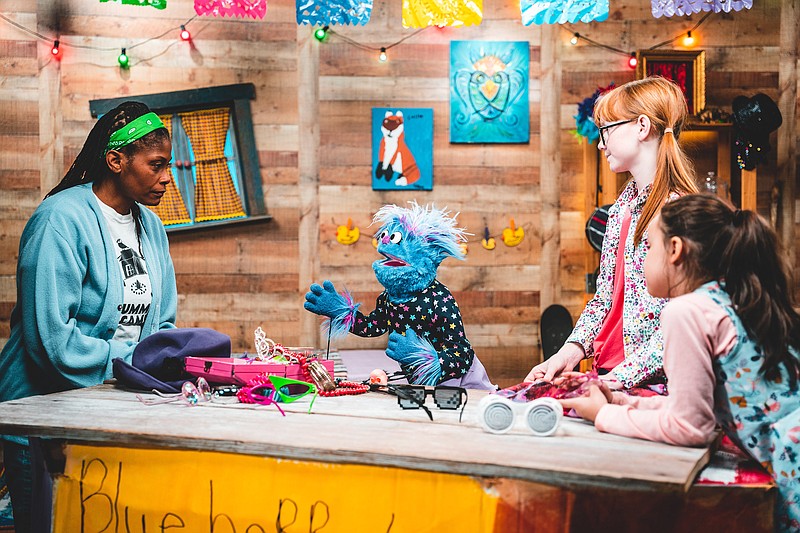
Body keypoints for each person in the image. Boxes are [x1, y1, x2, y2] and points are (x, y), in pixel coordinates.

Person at [560, 194, 800, 532]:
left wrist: (602, 414)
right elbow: (696, 408)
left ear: (675, 250)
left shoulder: (686, 312)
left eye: (648, 247)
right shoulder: (726, 297)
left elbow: (691, 428)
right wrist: (622, 400)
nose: (641, 261)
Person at [0, 101, 178, 533]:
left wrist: (160, 366)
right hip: (41, 416)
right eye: (156, 165)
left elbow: (163, 324)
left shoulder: (150, 226)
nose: (167, 177)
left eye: (167, 164)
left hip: (110, 411)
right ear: (116, 160)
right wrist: (133, 365)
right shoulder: (60, 220)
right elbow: (51, 343)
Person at [525, 76, 699, 388]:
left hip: (658, 384)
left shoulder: (681, 213)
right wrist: (569, 352)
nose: (600, 142)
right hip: (608, 372)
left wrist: (617, 381)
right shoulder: (621, 207)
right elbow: (605, 297)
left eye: (607, 129)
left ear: (642, 127)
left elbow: (683, 322)